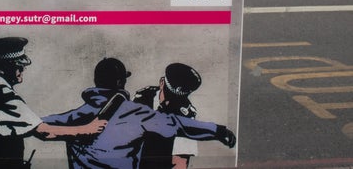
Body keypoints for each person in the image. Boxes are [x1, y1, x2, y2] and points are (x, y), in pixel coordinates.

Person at [41, 58, 236, 169]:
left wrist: (80, 130)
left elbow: (36, 126)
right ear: (121, 83)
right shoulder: (139, 108)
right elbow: (178, 124)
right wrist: (218, 131)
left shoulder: (71, 118)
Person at [0, 37, 107, 169]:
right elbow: (44, 132)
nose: (23, 69)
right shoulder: (3, 95)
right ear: (3, 68)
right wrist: (87, 129)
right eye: (18, 65)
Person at [133, 63, 203, 169]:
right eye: (168, 97)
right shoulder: (142, 99)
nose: (169, 104)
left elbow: (180, 162)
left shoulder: (186, 117)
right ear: (162, 82)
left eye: (176, 101)